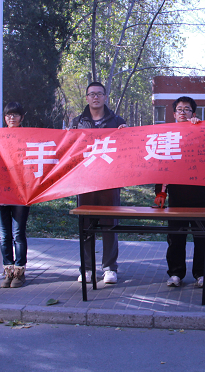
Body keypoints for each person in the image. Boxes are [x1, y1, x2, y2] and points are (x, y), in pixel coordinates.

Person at [154, 96, 205, 288]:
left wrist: (199, 129)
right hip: (177, 196)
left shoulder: (202, 132)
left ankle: (201, 274)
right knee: (176, 238)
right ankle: (175, 273)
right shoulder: (167, 136)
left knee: (202, 238)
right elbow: (162, 165)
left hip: (201, 196)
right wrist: (161, 192)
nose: (183, 112)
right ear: (174, 114)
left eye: (187, 109)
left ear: (193, 113)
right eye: (179, 109)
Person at [72, 81, 127, 284]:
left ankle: (110, 267)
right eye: (92, 94)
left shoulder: (117, 121)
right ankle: (87, 268)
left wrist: (127, 133)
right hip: (85, 180)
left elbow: (127, 148)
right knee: (86, 225)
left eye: (99, 94)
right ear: (86, 98)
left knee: (109, 224)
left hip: (109, 181)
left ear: (105, 97)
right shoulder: (77, 122)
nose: (95, 97)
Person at [0, 102, 31, 288]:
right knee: (4, 235)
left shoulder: (29, 136)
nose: (11, 118)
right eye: (8, 115)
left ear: (22, 117)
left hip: (21, 192)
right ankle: (8, 271)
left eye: (15, 114)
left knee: (18, 233)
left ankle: (19, 272)